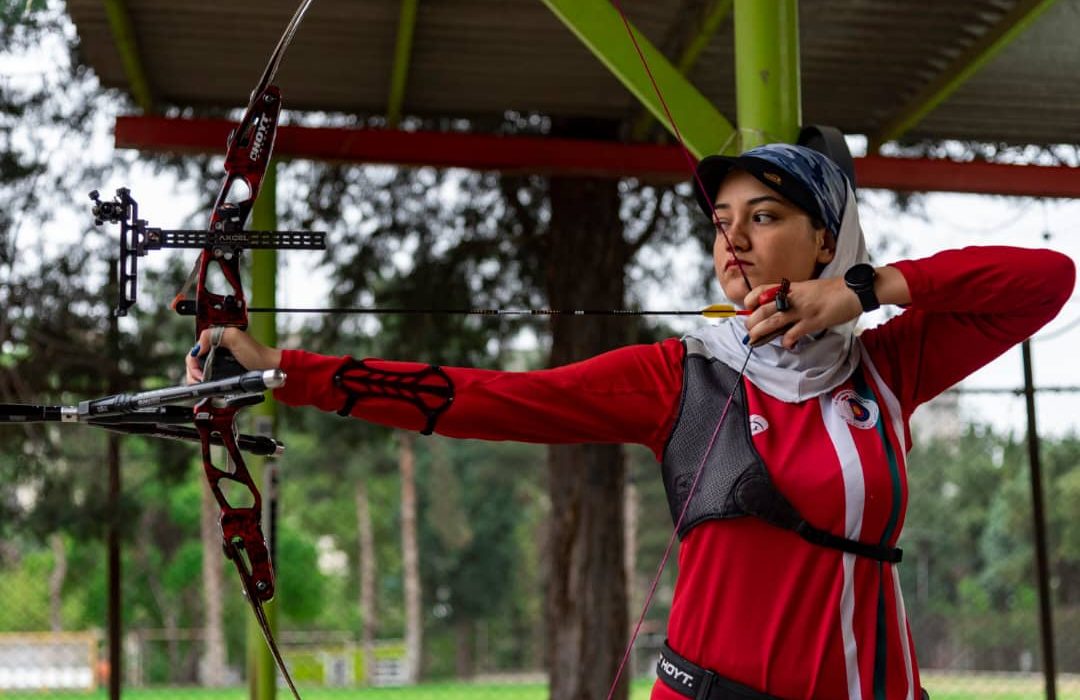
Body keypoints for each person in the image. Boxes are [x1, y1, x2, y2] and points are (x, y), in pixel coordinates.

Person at [185, 143, 1075, 700]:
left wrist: (865, 291)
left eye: (764, 218)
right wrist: (287, 373)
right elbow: (488, 399)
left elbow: (1046, 279)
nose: (732, 240)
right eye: (721, 221)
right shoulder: (678, 376)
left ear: (825, 238)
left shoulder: (886, 369)